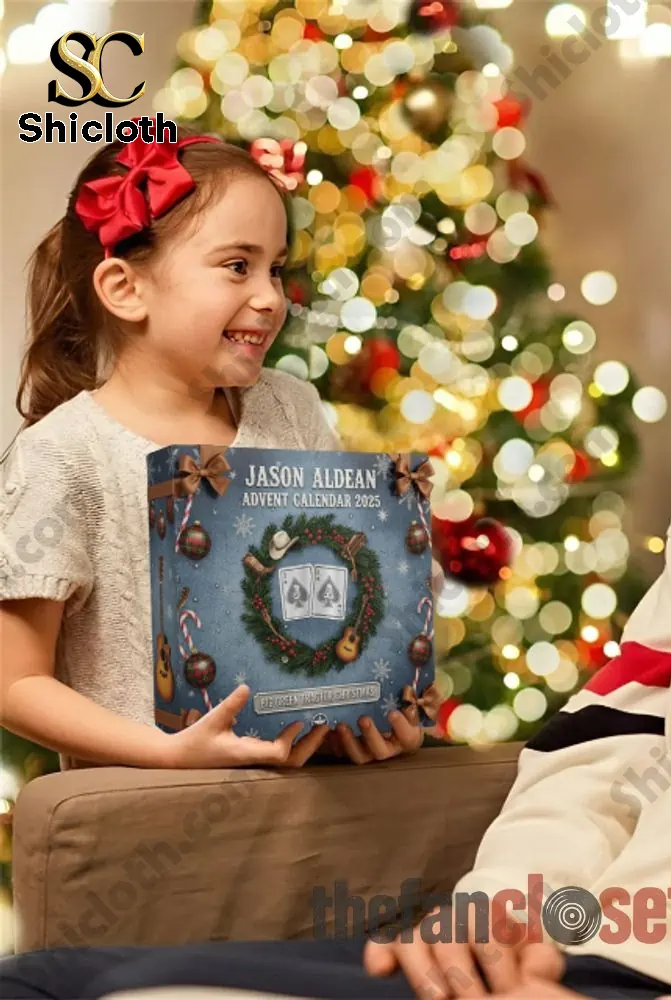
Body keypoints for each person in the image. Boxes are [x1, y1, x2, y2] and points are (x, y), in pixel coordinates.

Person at [1, 42, 671, 1000]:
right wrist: (500, 911)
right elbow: (600, 745)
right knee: (43, 980)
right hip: (568, 955)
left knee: (136, 991)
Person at [0, 128, 428, 770]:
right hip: (147, 829)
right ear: (125, 288)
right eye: (237, 266)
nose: (270, 297)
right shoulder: (65, 456)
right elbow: (14, 684)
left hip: (299, 823)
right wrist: (169, 753)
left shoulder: (290, 408)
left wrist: (375, 714)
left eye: (277, 269)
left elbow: (332, 603)